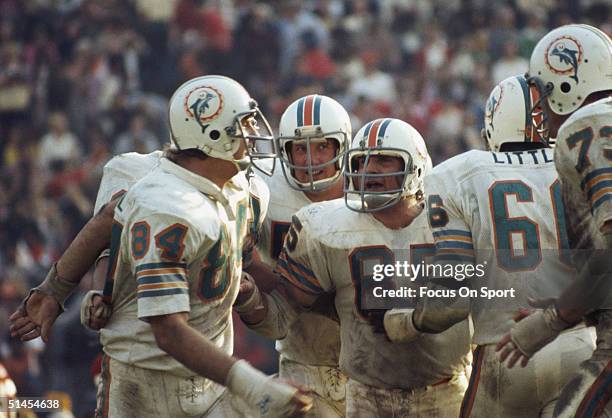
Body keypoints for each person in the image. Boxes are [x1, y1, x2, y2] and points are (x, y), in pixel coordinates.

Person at [10, 75, 311, 417]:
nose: (254, 133)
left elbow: (241, 256)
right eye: (243, 125)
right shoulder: (165, 206)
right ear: (212, 135)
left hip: (210, 376)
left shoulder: (243, 188)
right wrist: (250, 383)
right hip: (145, 383)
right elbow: (168, 330)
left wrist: (298, 294)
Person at [381, 74, 597, 417]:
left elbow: (450, 300)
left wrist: (410, 321)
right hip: (581, 343)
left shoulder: (460, 173)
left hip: (506, 350)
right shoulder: (578, 162)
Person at [240, 118, 471, 417]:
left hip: (446, 391)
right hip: (366, 395)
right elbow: (282, 316)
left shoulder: (453, 219)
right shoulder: (323, 225)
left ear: (415, 169)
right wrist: (248, 298)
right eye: (361, 162)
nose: (369, 170)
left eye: (384, 160)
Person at [496, 24, 612, 417]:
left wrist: (552, 320)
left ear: (564, 85)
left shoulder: (588, 127)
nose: (541, 111)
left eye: (542, 94)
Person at [240, 94, 352, 417]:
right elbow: (240, 257)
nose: (310, 159)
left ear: (340, 147)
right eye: (299, 148)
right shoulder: (261, 188)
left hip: (368, 358)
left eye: (321, 147)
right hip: (299, 352)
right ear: (285, 151)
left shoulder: (368, 188)